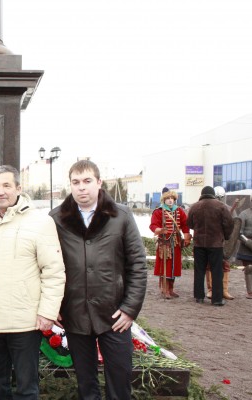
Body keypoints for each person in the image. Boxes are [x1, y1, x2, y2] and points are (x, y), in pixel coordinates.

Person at [49, 160, 147, 400]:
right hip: (75, 313)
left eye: (87, 181)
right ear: (70, 185)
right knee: (86, 383)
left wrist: (130, 309)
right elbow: (48, 265)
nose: (82, 188)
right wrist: (54, 307)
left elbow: (137, 264)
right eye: (76, 182)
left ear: (99, 182)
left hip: (114, 315)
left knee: (120, 379)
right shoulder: (56, 218)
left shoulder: (120, 215)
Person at [0, 165, 66, 400]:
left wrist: (47, 313)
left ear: (18, 188)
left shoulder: (40, 222)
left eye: (6, 185)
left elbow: (53, 271)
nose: (0, 191)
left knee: (26, 388)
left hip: (25, 323)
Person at [187, 186, 234, 306]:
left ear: (202, 194)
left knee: (199, 270)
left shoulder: (195, 206)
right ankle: (217, 299)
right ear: (213, 194)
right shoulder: (221, 206)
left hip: (199, 243)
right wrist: (226, 236)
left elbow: (190, 224)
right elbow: (229, 224)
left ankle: (199, 297)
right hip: (216, 244)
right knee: (217, 271)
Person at [149, 188, 191, 299]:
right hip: (164, 243)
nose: (170, 200)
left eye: (172, 198)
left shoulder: (179, 211)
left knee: (174, 266)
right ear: (164, 200)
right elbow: (153, 225)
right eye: (168, 198)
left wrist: (186, 236)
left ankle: (171, 289)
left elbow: (185, 224)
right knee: (165, 266)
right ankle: (165, 289)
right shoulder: (158, 211)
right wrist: (159, 230)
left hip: (176, 242)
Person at [203, 186, 240, 300]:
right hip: (212, 241)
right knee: (210, 265)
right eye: (217, 197)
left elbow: (234, 226)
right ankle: (210, 289)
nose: (219, 199)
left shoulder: (229, 209)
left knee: (225, 265)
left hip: (225, 242)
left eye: (221, 197)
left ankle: (224, 290)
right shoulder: (208, 209)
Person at [236, 194, 252, 299]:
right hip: (246, 246)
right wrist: (249, 243)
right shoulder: (244, 214)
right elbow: (239, 232)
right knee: (249, 268)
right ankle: (250, 292)